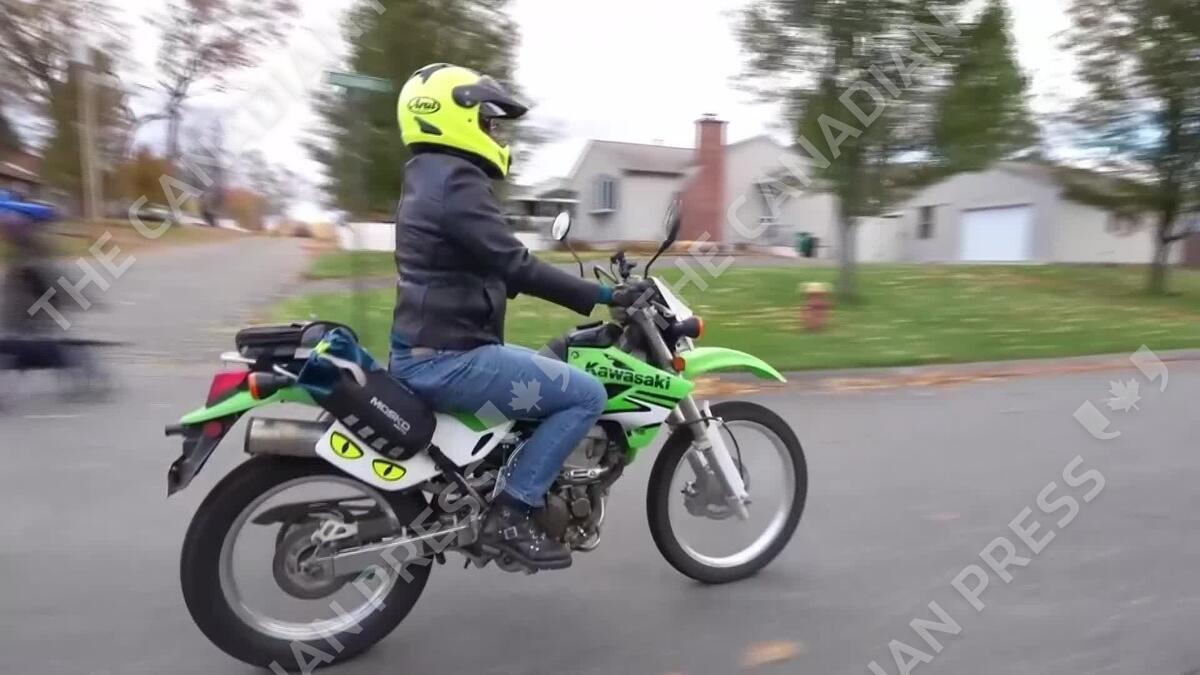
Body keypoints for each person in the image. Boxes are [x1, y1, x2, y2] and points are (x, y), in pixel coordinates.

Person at [388, 63, 644, 570]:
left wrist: (507, 284)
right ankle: (511, 514)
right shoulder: (456, 181)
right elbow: (514, 263)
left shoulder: (428, 176)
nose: (495, 134)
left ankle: (497, 486)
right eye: (487, 122)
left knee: (547, 371)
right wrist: (604, 294)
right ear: (452, 115)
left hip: (432, 350)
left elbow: (472, 262)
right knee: (585, 394)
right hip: (449, 360)